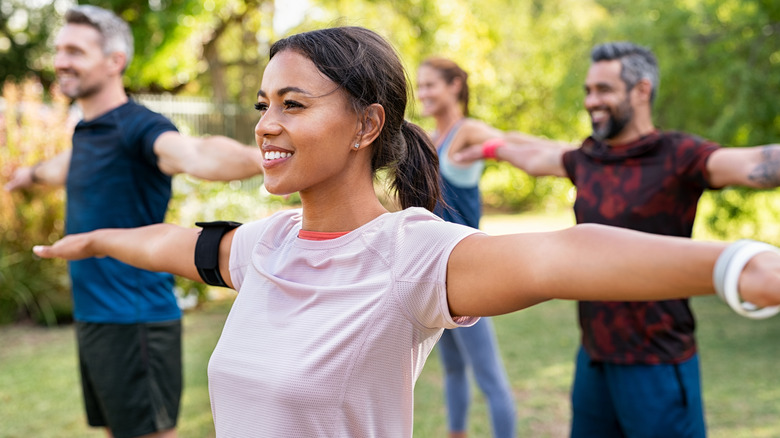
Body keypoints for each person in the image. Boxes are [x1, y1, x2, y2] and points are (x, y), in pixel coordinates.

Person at [30, 28, 780, 438]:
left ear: (367, 124)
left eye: (293, 104)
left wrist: (736, 265)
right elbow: (170, 243)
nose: (266, 125)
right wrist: (94, 241)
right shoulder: (266, 247)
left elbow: (564, 251)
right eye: (264, 104)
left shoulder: (409, 256)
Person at [455, 41, 780, 438]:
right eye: (589, 91)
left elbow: (752, 163)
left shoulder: (678, 155)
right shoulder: (587, 157)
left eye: (604, 90)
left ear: (641, 91)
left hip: (657, 363)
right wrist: (490, 148)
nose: (592, 101)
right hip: (594, 360)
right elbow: (536, 156)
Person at [4, 5, 262, 438]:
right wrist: (25, 177)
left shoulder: (139, 128)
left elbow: (193, 153)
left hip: (135, 320)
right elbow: (60, 169)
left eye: (75, 51)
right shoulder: (89, 131)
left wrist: (265, 159)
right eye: (59, 49)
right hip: (97, 318)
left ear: (114, 61)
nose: (61, 60)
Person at [416, 57, 515, 438]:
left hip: (469, 272)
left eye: (430, 85)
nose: (422, 93)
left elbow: (509, 142)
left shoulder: (468, 131)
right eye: (420, 86)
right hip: (435, 273)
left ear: (455, 85)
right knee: (454, 369)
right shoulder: (429, 138)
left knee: (489, 377)